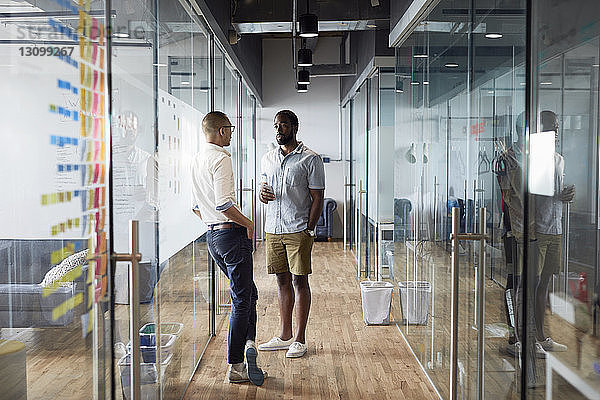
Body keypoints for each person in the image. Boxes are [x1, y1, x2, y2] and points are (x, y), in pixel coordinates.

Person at [191, 111, 266, 385]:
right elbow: (224, 204)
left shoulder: (197, 159)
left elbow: (197, 206)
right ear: (221, 131)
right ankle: (236, 366)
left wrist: (215, 224)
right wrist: (248, 224)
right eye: (230, 129)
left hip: (213, 237)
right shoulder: (221, 158)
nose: (232, 133)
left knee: (249, 293)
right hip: (230, 236)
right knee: (242, 300)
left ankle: (249, 343)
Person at [258, 110, 325, 358]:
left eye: (283, 125)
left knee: (299, 281)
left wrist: (309, 228)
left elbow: (318, 198)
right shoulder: (267, 158)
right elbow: (264, 188)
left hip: (298, 230)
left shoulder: (310, 159)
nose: (278, 130)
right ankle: (284, 336)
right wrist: (261, 194)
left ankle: (300, 338)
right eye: (276, 125)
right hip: (273, 229)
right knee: (281, 281)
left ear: (295, 127)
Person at [533, 110, 574, 351]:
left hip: (555, 227)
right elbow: (531, 196)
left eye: (557, 127)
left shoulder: (559, 159)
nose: (555, 132)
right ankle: (532, 336)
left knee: (545, 285)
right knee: (533, 286)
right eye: (551, 127)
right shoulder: (531, 160)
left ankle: (541, 336)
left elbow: (557, 192)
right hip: (538, 229)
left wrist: (567, 195)